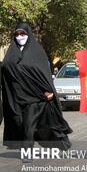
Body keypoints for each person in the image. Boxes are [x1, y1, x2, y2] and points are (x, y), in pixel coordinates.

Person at [1, 22, 73, 162]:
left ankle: (27, 152)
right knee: (20, 124)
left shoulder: (37, 52)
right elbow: (5, 70)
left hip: (35, 98)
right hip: (16, 98)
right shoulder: (11, 53)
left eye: (23, 34)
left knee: (29, 125)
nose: (20, 36)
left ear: (28, 34)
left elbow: (44, 74)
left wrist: (48, 90)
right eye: (17, 34)